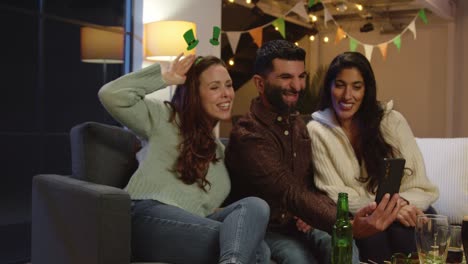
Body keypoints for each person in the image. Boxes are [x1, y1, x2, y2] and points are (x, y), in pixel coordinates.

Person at [225, 40, 405, 264]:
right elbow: (288, 191)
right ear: (260, 83)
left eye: (301, 76)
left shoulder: (297, 123)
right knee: (298, 258)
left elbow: (312, 185)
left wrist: (314, 216)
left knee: (344, 247)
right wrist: (345, 223)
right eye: (286, 77)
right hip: (267, 230)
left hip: (301, 221)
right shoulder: (248, 135)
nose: (298, 86)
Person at [98, 54, 271, 264]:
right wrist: (166, 77)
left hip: (190, 226)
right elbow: (111, 95)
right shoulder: (165, 117)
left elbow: (205, 208)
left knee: (256, 207)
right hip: (146, 217)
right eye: (215, 87)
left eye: (228, 85)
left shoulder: (221, 153)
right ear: (195, 93)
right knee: (258, 252)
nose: (226, 94)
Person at [306, 51, 439, 263]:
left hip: (406, 209)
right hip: (363, 216)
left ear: (367, 89)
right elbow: (337, 193)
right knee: (374, 236)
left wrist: (398, 207)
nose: (347, 95)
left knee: (410, 229)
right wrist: (388, 210)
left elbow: (421, 186)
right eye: (340, 84)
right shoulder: (316, 131)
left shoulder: (392, 121)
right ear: (329, 87)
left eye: (356, 86)